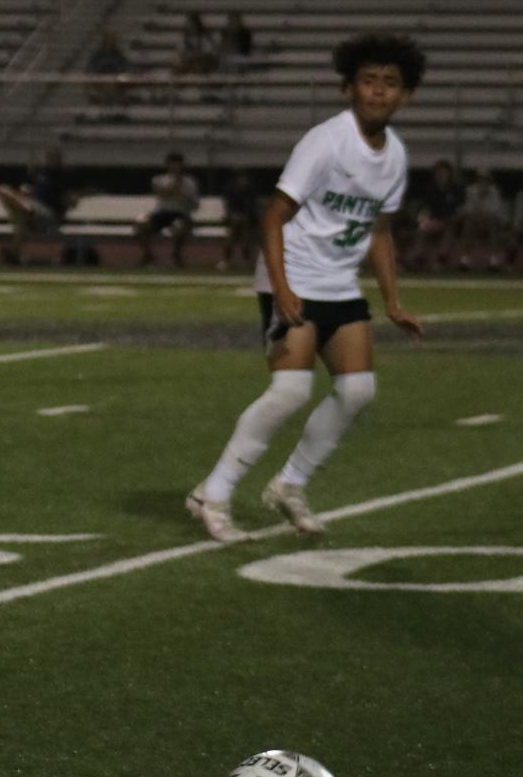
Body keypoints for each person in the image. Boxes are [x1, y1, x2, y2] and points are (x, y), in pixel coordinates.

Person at [186, 33, 426, 545]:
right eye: (368, 81)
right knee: (290, 390)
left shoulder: (396, 155)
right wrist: (282, 287)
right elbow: (273, 216)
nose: (378, 92)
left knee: (358, 390)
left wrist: (394, 303)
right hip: (293, 275)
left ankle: (289, 484)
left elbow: (379, 232)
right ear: (347, 89)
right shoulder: (326, 141)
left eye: (390, 84)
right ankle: (216, 494)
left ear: (406, 95)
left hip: (339, 284)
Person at [0, 147, 72, 265]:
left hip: (47, 214)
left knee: (22, 221)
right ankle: (26, 211)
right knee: (3, 189)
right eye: (50, 157)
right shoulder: (40, 174)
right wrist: (24, 192)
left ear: (60, 160)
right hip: (30, 208)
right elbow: (27, 189)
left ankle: (14, 253)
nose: (51, 160)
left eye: (55, 158)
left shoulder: (63, 176)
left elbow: (66, 201)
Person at [134, 151, 201, 268]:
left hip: (180, 213)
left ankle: (176, 256)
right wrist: (176, 188)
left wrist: (182, 195)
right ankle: (148, 255)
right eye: (172, 164)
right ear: (167, 165)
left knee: (180, 226)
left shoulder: (190, 182)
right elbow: (162, 192)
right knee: (140, 224)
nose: (175, 167)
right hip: (161, 213)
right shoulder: (159, 179)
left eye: (178, 164)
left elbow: (195, 204)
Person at [407, 159, 465, 273]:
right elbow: (427, 208)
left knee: (449, 228)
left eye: (444, 172)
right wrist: (425, 219)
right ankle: (418, 259)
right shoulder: (430, 189)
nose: (441, 175)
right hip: (434, 220)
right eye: (439, 172)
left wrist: (452, 217)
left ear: (449, 174)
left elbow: (459, 209)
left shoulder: (455, 189)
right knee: (421, 230)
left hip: (450, 221)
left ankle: (441, 259)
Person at [460, 168, 506, 271]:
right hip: (476, 222)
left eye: (486, 180)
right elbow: (468, 210)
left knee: (492, 224)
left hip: (491, 223)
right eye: (481, 179)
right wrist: (478, 218)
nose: (483, 182)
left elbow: (493, 213)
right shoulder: (470, 191)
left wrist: (481, 217)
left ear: (490, 181)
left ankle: (494, 262)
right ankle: (465, 261)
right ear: (477, 180)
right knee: (468, 225)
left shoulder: (495, 192)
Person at [218, 170, 260, 273]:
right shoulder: (231, 191)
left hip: (249, 221)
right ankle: (227, 260)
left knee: (244, 231)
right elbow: (229, 209)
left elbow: (251, 210)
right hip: (233, 221)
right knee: (234, 230)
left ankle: (246, 259)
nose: (243, 181)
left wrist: (245, 217)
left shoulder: (250, 191)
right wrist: (234, 216)